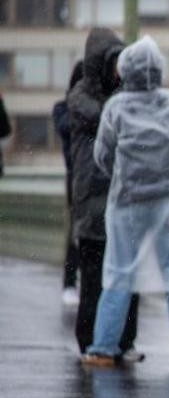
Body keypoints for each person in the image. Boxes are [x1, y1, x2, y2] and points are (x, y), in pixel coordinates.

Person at [80, 36, 169, 372]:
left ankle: (103, 347)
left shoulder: (118, 107)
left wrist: (130, 174)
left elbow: (102, 156)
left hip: (130, 204)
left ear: (126, 73)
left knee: (119, 273)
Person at [67, 28, 142, 362]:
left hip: (122, 198)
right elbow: (109, 120)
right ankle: (92, 340)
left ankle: (124, 341)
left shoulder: (121, 98)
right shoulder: (81, 97)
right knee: (95, 277)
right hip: (94, 199)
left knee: (128, 275)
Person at [53, 60, 85, 306]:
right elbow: (66, 128)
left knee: (81, 230)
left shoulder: (68, 109)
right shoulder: (65, 109)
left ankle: (74, 280)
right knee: (77, 231)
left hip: (81, 177)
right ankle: (70, 281)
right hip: (76, 178)